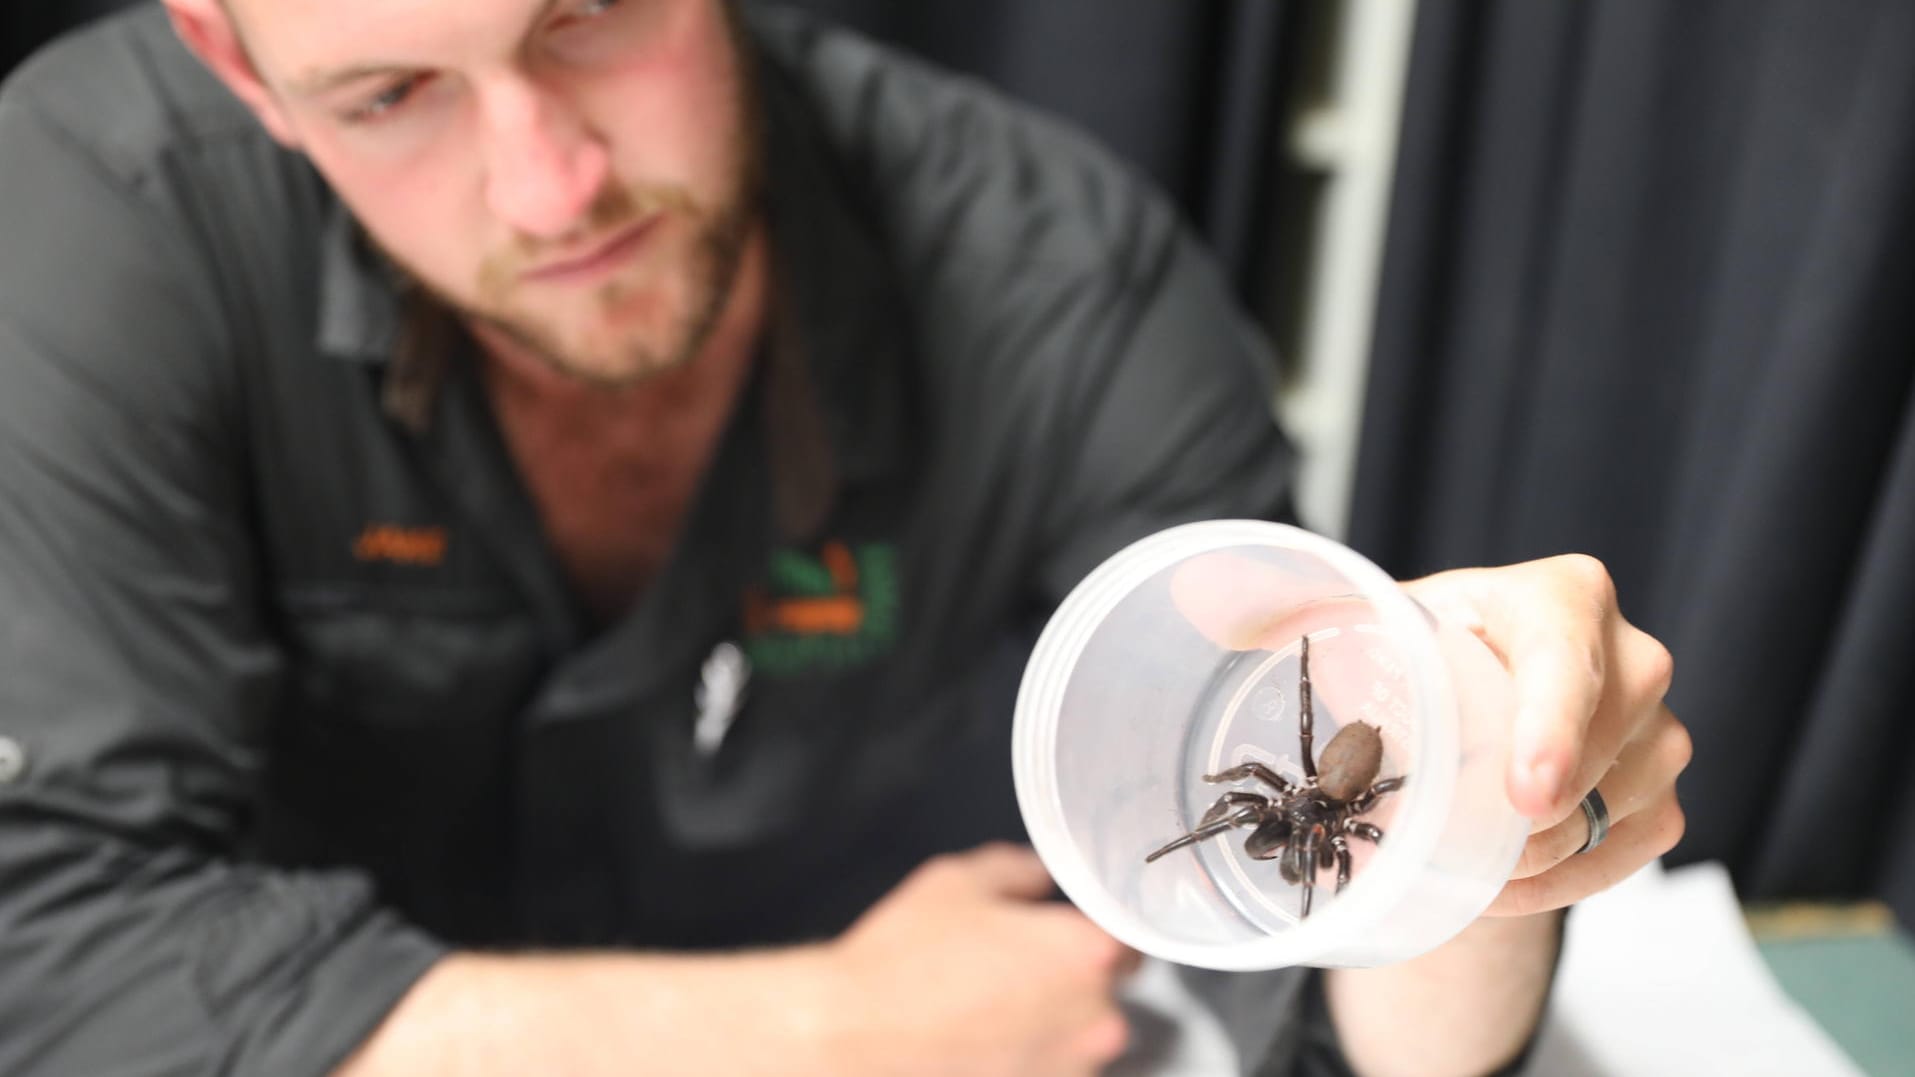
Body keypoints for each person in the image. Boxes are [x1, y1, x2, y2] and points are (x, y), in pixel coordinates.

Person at [0, 1, 1690, 1074]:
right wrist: (834, 1028)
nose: (547, 186)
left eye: (590, 17)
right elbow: (49, 957)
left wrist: (1481, 805)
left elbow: (1349, 1029)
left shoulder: (1059, 284)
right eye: (387, 95)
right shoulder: (96, 226)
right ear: (238, 67)